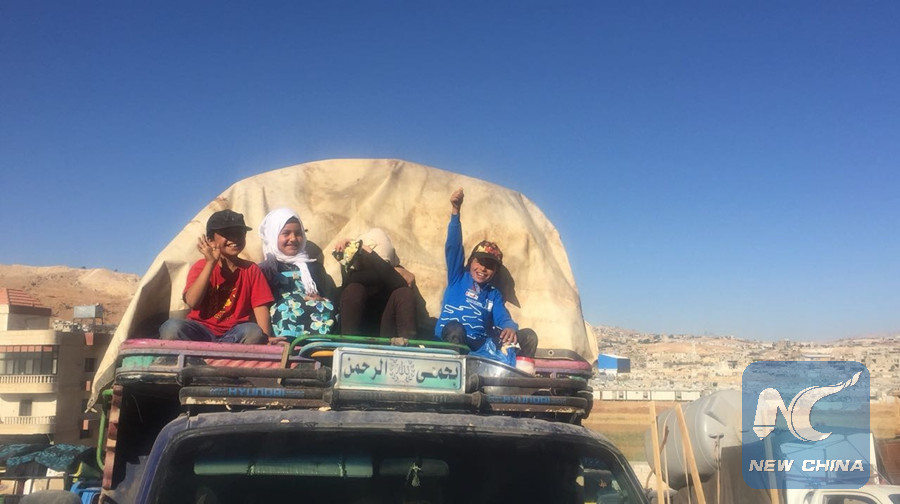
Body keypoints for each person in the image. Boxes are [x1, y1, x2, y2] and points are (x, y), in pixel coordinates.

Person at [435, 188, 537, 359]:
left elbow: (502, 318)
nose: (483, 269)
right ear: (470, 262)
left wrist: (510, 327)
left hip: (481, 348)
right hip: (453, 341)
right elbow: (453, 247)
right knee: (455, 328)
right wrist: (456, 211)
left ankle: (517, 374)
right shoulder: (457, 277)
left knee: (529, 336)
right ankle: (454, 369)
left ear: (495, 272)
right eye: (480, 262)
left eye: (489, 266)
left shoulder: (493, 294)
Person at [159, 209, 275, 344]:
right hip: (200, 331)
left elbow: (260, 306)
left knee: (254, 332)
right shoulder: (201, 266)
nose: (235, 238)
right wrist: (210, 263)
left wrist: (266, 338)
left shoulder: (251, 269)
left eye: (239, 233)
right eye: (228, 234)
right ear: (210, 241)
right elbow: (192, 302)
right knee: (171, 328)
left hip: (234, 332)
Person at [258, 208, 336, 340]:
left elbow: (327, 295)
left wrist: (320, 299)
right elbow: (260, 303)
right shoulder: (266, 269)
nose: (293, 239)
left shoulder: (314, 267)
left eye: (298, 233)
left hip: (315, 320)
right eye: (286, 233)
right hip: (283, 324)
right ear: (273, 235)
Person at [333, 228, 417, 341]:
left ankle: (408, 349)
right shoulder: (354, 278)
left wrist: (370, 253)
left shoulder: (394, 274)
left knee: (404, 293)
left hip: (387, 335)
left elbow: (400, 283)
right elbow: (350, 283)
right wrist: (349, 254)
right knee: (354, 289)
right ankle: (348, 346)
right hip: (358, 337)